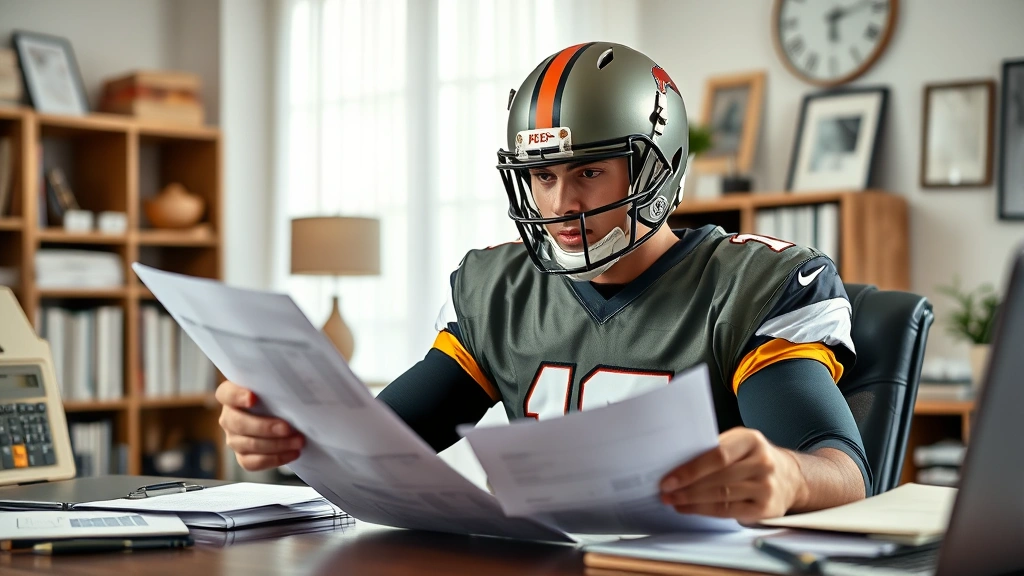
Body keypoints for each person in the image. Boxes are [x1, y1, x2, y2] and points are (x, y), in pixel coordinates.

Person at [216, 42, 870, 524]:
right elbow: (387, 444)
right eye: (542, 175)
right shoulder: (499, 286)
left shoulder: (753, 284)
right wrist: (290, 431)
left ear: (660, 168)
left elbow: (841, 469)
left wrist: (788, 476)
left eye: (589, 172)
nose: (559, 204)